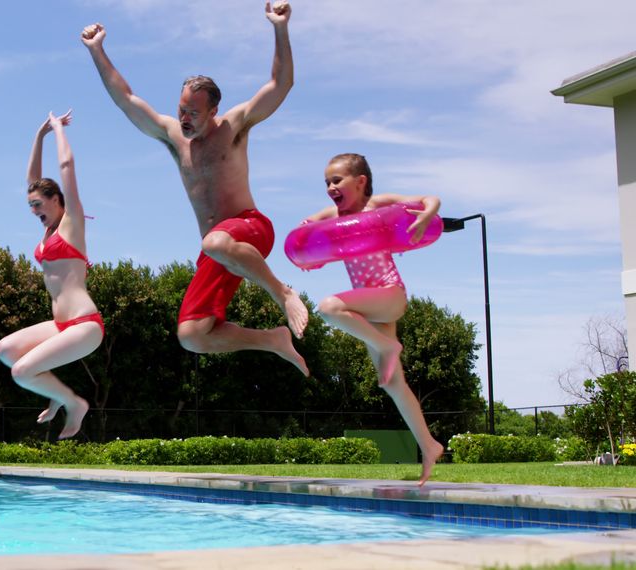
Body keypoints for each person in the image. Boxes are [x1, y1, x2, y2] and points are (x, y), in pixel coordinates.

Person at [81, 1, 308, 376]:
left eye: (193, 113)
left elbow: (279, 85)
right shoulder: (174, 136)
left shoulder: (234, 127)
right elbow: (127, 99)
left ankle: (283, 293)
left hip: (250, 230)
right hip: (218, 251)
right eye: (182, 109)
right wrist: (97, 51)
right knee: (193, 335)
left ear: (213, 111)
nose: (184, 119)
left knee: (215, 242)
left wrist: (280, 29)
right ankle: (272, 339)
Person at [303, 152, 446, 485]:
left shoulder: (377, 205)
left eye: (336, 180)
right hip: (369, 307)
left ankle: (387, 346)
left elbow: (430, 198)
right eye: (326, 182)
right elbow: (307, 228)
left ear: (360, 181)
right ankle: (429, 445)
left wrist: (426, 216)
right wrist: (312, 254)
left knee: (328, 307)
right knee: (391, 383)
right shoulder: (334, 214)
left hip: (389, 295)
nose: (330, 188)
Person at [0, 110, 99, 440]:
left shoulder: (72, 222)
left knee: (23, 371)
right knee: (6, 350)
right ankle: (58, 397)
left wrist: (58, 130)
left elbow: (67, 169)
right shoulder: (48, 228)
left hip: (85, 325)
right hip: (59, 325)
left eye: (39, 204)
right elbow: (32, 180)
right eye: (31, 206)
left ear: (57, 200)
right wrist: (39, 136)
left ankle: (73, 403)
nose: (34, 211)